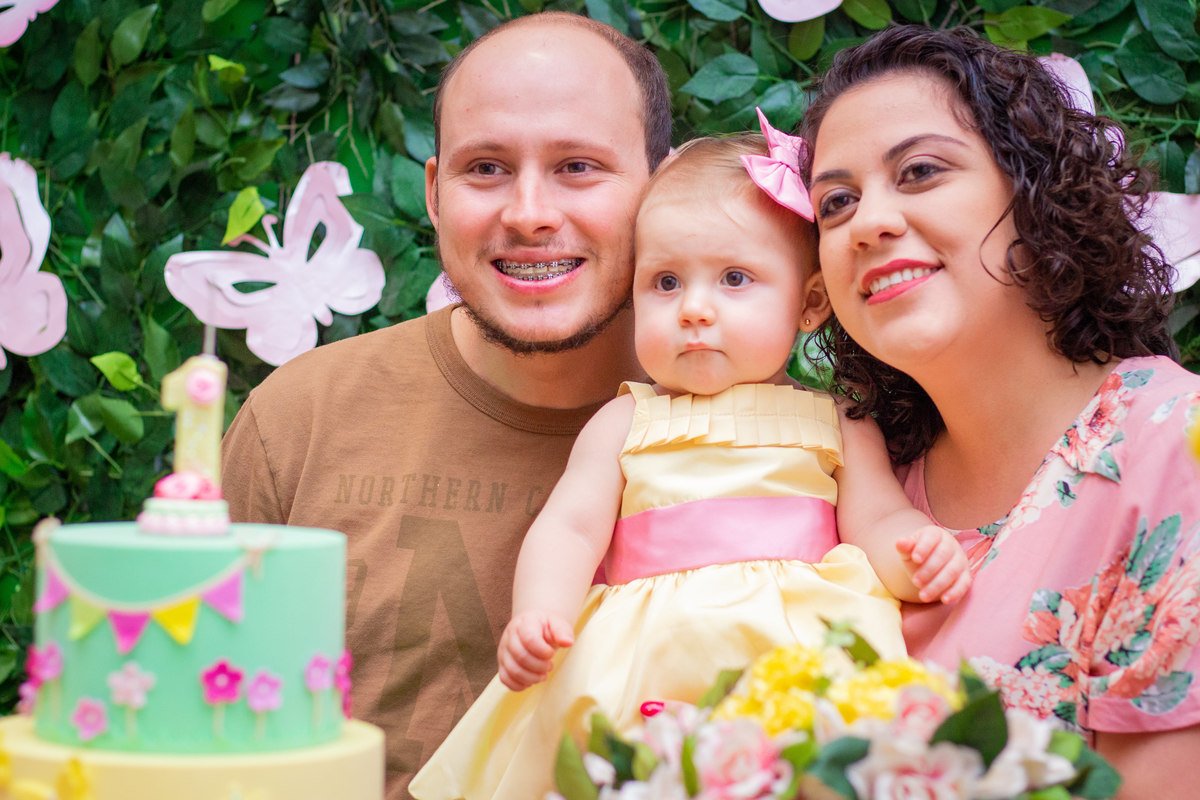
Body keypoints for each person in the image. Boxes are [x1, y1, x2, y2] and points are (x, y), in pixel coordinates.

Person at [410, 126, 970, 799]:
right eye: (666, 282)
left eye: (736, 279)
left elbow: (877, 515)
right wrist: (539, 613)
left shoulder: (836, 421)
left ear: (811, 303)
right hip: (644, 657)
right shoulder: (626, 420)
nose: (695, 311)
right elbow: (570, 528)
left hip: (795, 654)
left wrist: (913, 553)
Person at [219, 12, 671, 800]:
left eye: (578, 167)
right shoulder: (299, 422)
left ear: (661, 186)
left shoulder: (774, 441)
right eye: (487, 168)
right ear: (433, 193)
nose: (529, 212)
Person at [802, 24, 1200, 799]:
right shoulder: (854, 490)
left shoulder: (1175, 442)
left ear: (1033, 189)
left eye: (919, 171)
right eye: (836, 203)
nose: (868, 224)